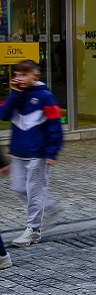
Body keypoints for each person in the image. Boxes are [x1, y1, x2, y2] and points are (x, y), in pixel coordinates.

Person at [0, 59, 63, 247]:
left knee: (34, 192)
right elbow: (3, 115)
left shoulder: (45, 97)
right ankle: (50, 206)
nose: (19, 78)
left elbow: (55, 126)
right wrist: (15, 94)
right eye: (17, 74)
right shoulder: (15, 95)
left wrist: (52, 152)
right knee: (19, 188)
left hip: (38, 153)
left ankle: (33, 230)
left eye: (24, 74)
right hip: (19, 152)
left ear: (35, 76)